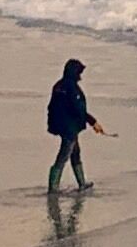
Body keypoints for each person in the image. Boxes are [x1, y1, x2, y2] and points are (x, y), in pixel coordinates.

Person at [45, 56, 107, 192]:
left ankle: (82, 183)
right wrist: (93, 122)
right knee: (64, 156)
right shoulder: (72, 88)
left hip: (61, 126)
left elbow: (51, 107)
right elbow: (78, 109)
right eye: (79, 73)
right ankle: (53, 188)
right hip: (69, 128)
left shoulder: (58, 86)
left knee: (75, 153)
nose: (81, 76)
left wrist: (52, 125)